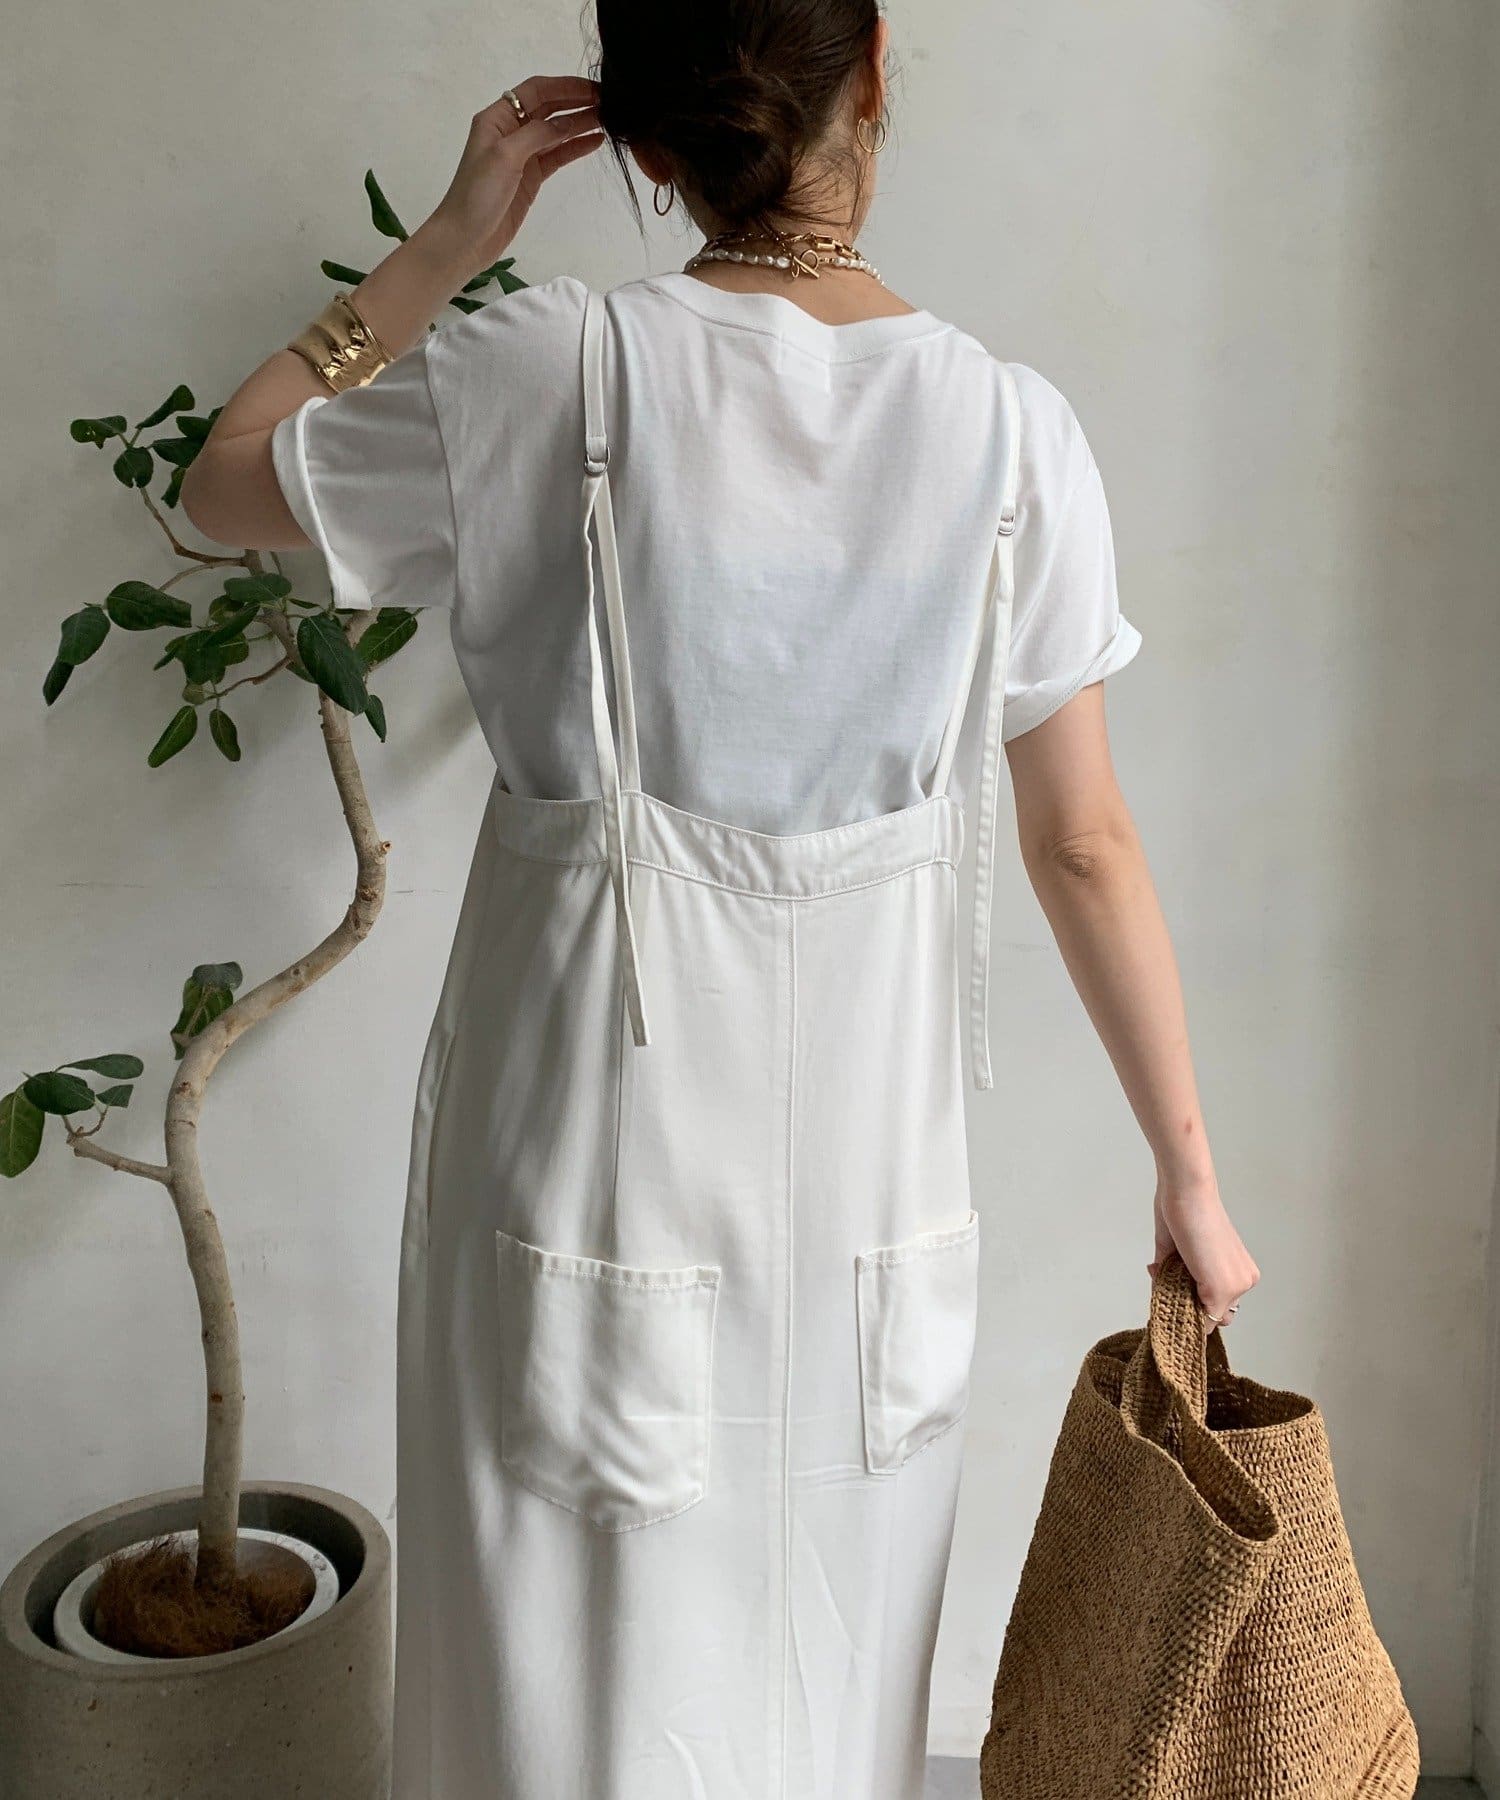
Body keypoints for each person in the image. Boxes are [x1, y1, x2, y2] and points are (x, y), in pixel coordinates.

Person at [182, 3, 1259, 1794]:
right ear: (876, 71)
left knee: (561, 1692)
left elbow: (227, 487)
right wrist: (1190, 1179)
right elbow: (1084, 841)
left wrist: (449, 240)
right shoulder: (1011, 435)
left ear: (646, 144)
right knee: (828, 1680)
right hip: (874, 1189)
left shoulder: (543, 369)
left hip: (575, 1147)